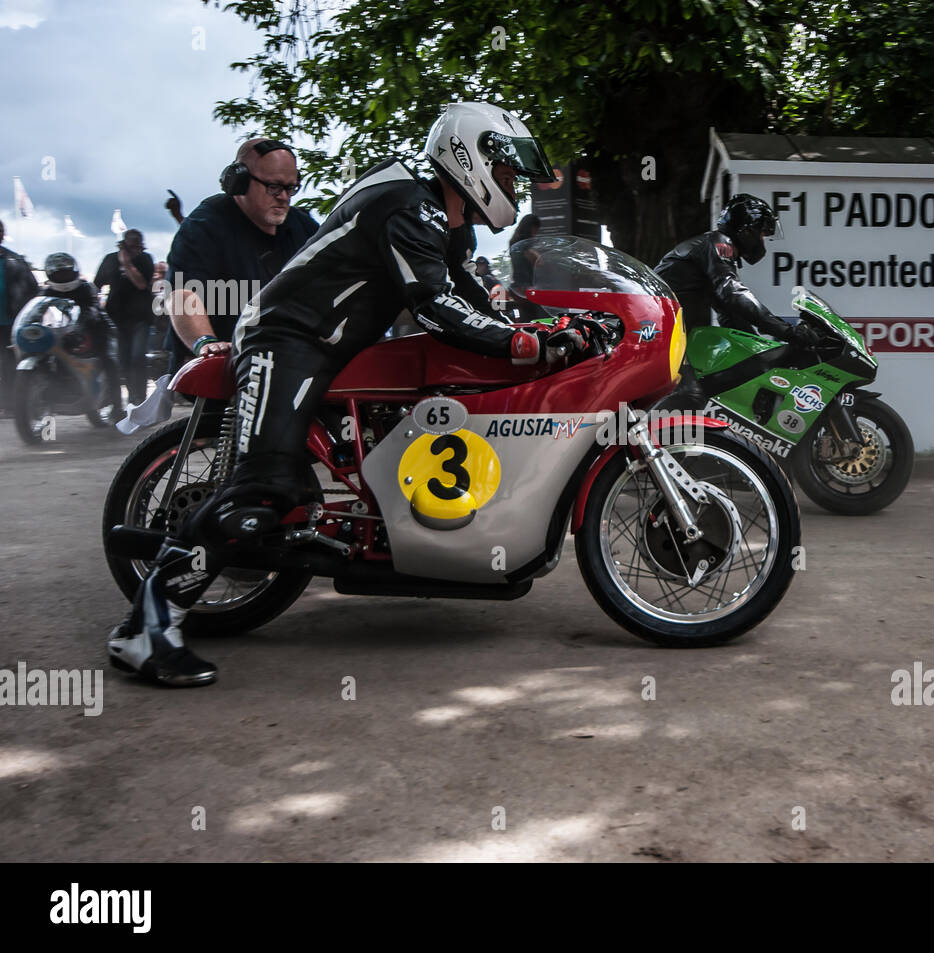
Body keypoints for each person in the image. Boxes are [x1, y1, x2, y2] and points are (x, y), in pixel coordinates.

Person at [107, 101, 582, 688]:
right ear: (470, 159)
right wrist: (526, 343)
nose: (513, 187)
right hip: (286, 339)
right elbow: (436, 306)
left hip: (332, 348)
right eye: (507, 173)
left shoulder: (441, 214)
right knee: (263, 493)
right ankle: (144, 628)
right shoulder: (411, 205)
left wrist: (545, 328)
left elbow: (469, 299)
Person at [161, 139, 319, 369]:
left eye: (290, 188)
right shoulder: (204, 225)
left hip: (286, 362)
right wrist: (206, 344)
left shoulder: (303, 227)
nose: (284, 197)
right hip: (221, 366)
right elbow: (182, 295)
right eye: (273, 187)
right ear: (240, 181)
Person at [654, 193, 818, 407]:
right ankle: (650, 438)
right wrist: (787, 331)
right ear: (746, 231)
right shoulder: (719, 244)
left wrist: (764, 352)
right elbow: (733, 293)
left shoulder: (713, 249)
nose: (762, 241)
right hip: (658, 332)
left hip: (663, 331)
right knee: (690, 395)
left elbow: (731, 314)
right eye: (761, 234)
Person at [36, 253, 124, 420]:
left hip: (94, 329)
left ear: (74, 270)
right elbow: (37, 311)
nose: (63, 276)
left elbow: (90, 311)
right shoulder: (46, 292)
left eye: (66, 272)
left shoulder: (85, 288)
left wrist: (77, 329)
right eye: (59, 273)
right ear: (51, 274)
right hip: (61, 334)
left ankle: (117, 407)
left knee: (108, 361)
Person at [94, 229, 155, 406]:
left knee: (138, 357)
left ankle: (139, 398)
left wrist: (127, 264)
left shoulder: (145, 259)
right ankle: (131, 395)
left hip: (140, 318)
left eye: (139, 246)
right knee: (123, 360)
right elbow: (97, 284)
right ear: (124, 245)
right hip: (117, 318)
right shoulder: (110, 259)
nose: (137, 249)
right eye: (133, 246)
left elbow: (142, 283)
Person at [1, 219, 39, 415]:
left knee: (9, 364)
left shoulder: (15, 261)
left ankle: (10, 405)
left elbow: (33, 290)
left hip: (10, 322)